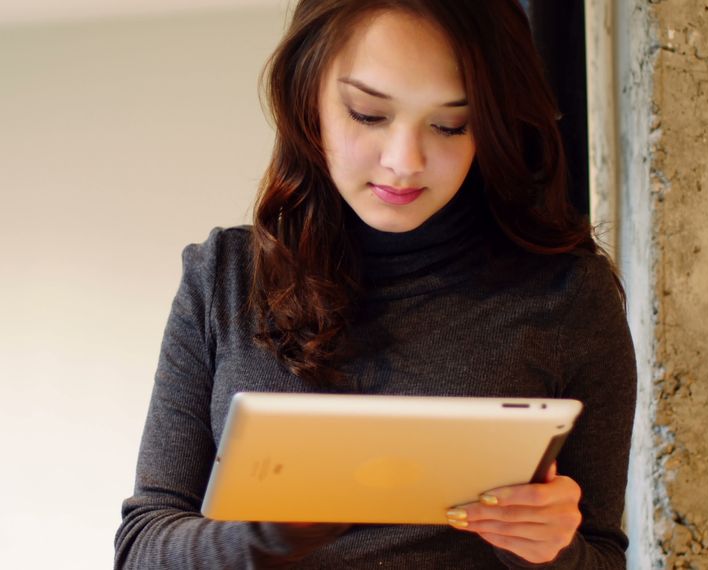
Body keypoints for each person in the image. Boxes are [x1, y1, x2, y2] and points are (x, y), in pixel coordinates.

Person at [114, 0, 636, 568]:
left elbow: (603, 557)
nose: (404, 161)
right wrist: (268, 534)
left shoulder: (568, 297)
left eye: (450, 124)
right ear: (307, 95)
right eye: (368, 114)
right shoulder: (224, 277)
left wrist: (548, 549)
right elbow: (142, 548)